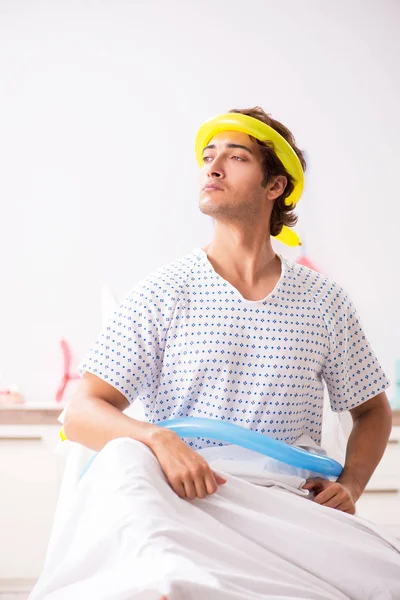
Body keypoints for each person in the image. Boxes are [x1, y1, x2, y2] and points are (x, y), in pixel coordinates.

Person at [64, 106, 392, 516]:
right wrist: (160, 440)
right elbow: (80, 412)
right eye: (208, 157)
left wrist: (352, 484)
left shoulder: (324, 300)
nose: (213, 168)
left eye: (235, 157)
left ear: (275, 185)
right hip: (185, 498)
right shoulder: (164, 292)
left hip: (289, 502)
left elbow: (372, 410)